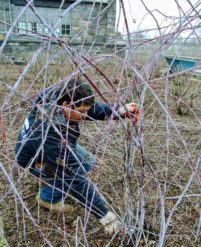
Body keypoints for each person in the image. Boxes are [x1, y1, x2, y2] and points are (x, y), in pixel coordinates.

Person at [15, 78, 139, 235]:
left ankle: (49, 180)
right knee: (69, 175)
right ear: (66, 105)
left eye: (85, 111)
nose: (85, 116)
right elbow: (73, 177)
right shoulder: (50, 134)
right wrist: (103, 214)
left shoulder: (57, 97)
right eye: (81, 112)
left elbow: (90, 109)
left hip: (52, 146)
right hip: (34, 158)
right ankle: (47, 197)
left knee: (88, 162)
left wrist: (118, 111)